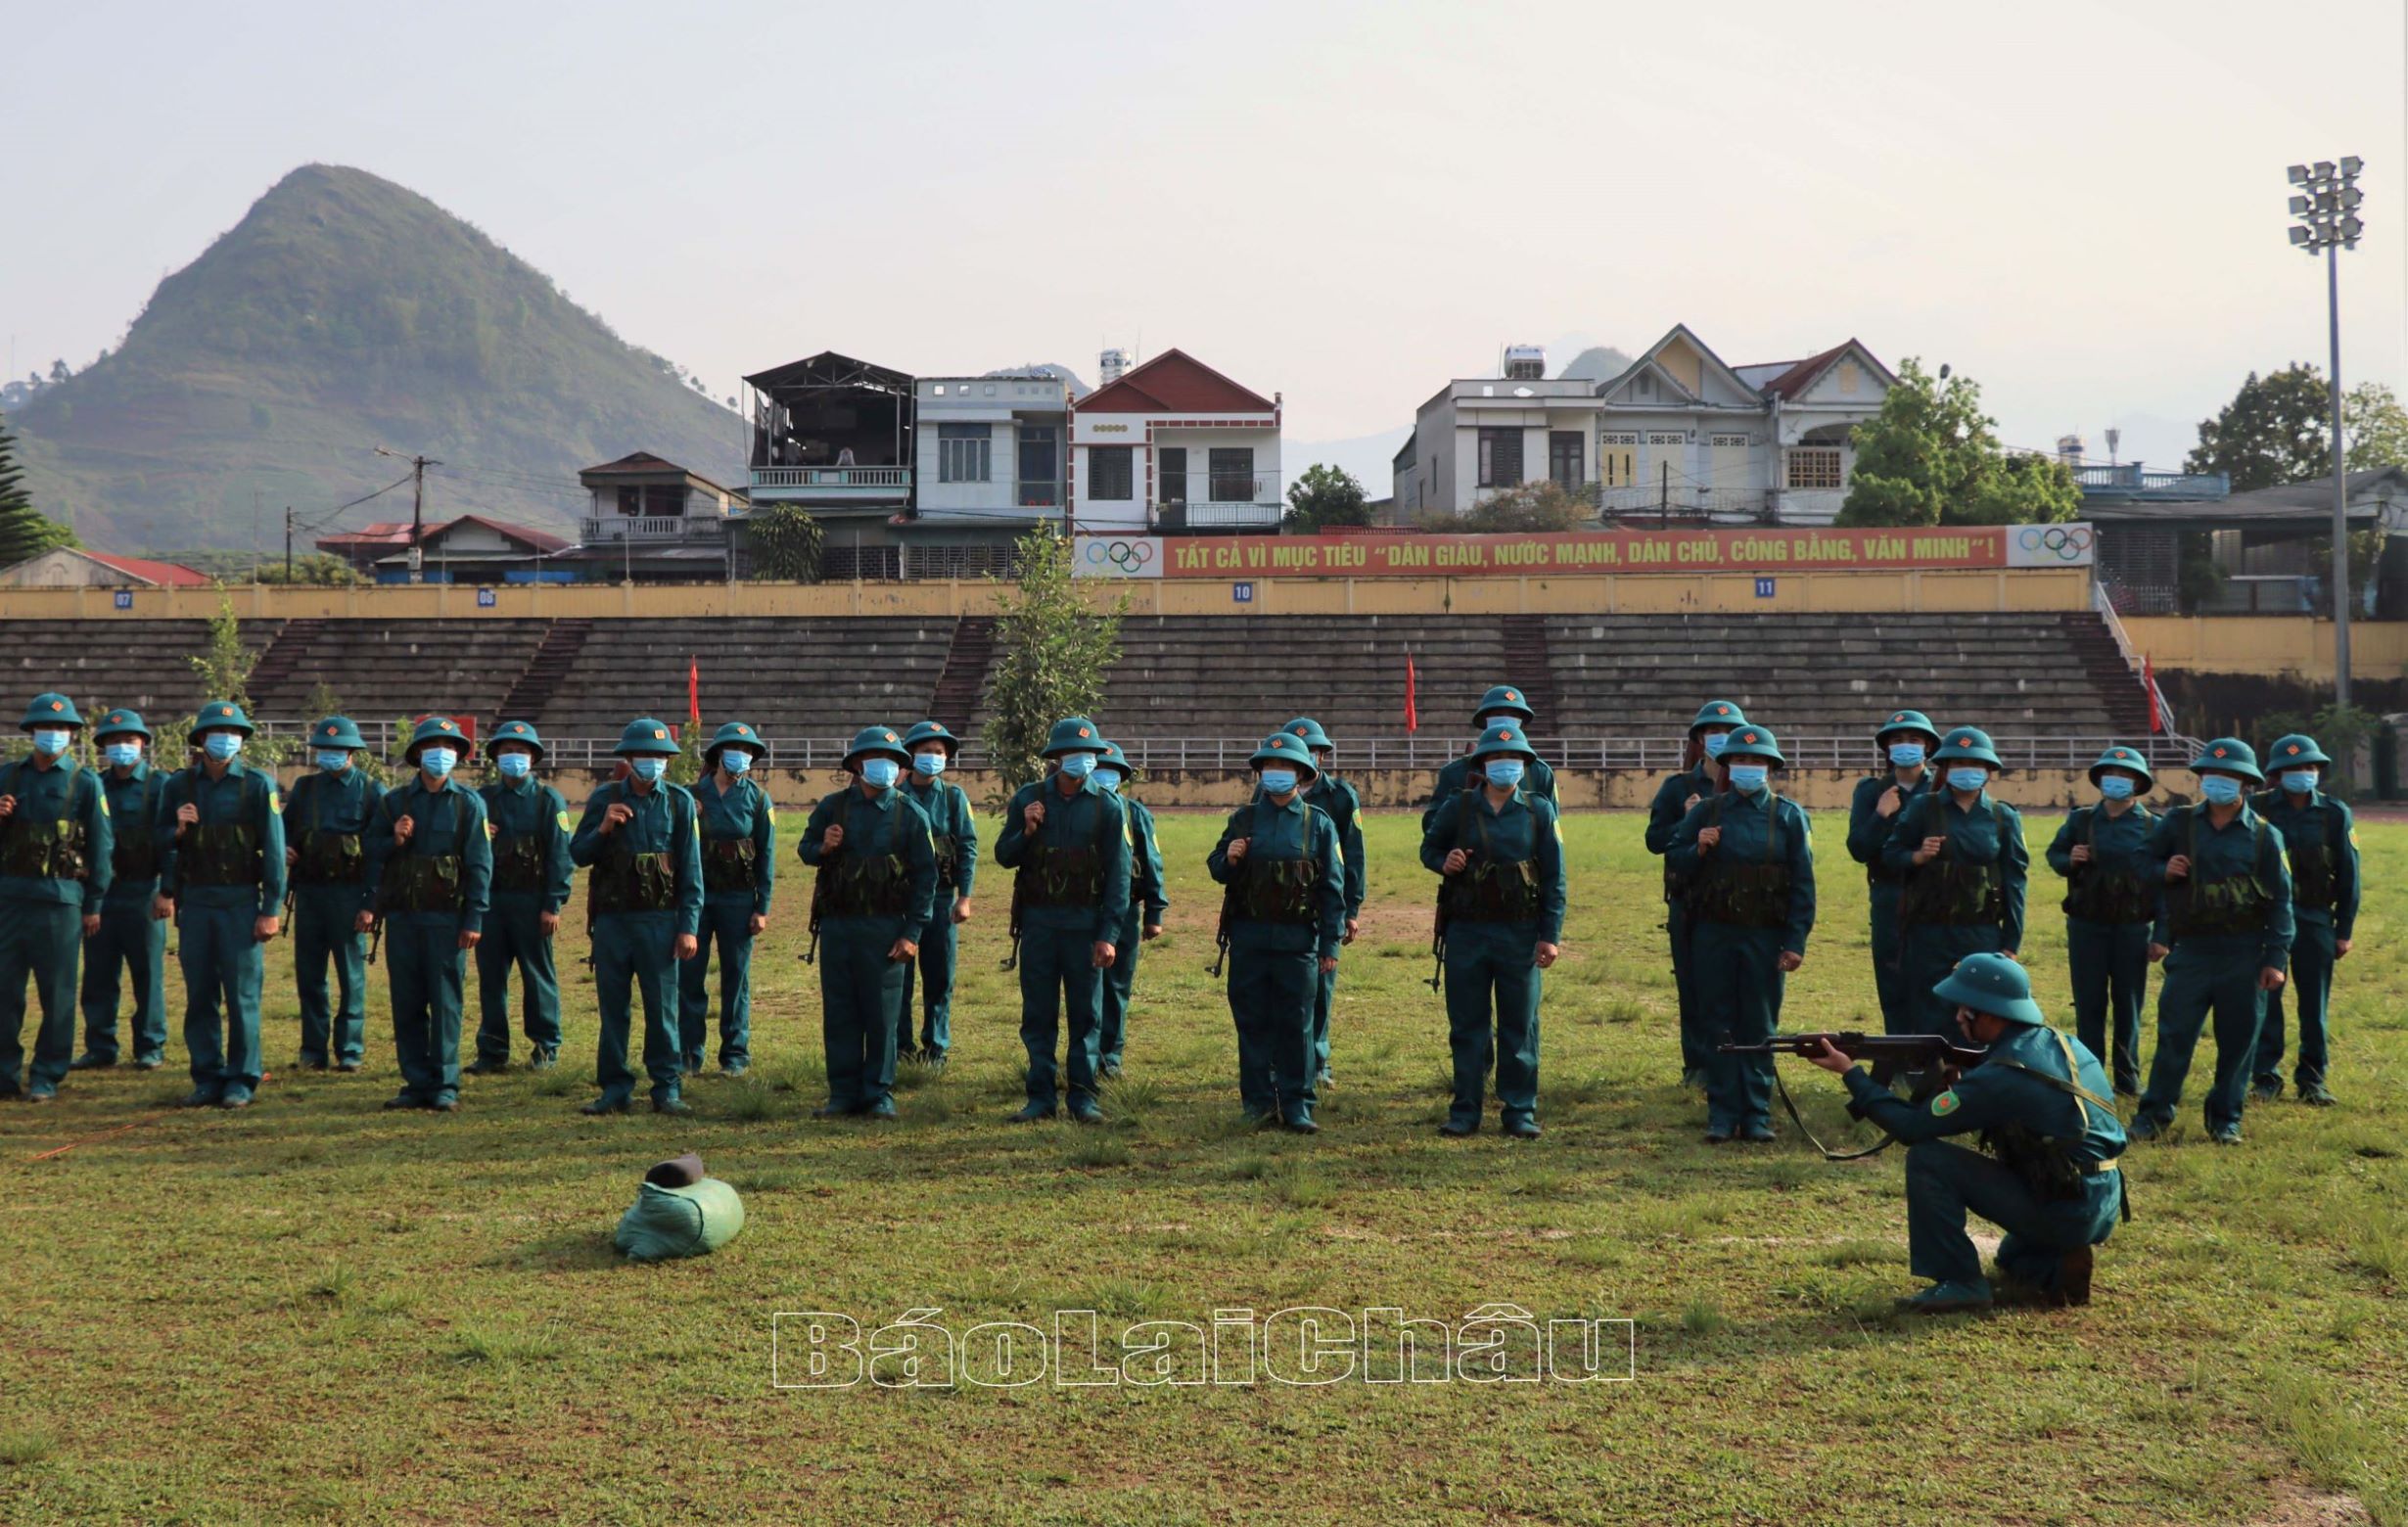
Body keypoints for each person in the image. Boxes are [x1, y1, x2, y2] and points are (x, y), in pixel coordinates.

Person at [1803, 953, 2127, 1313]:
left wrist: (1852, 1075)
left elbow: (1912, 1127)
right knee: (2013, 1263)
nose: (1957, 1017)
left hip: (2066, 1204)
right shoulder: (2062, 1043)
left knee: (1928, 1160)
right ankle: (2052, 1257)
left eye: (1965, 1009)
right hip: (2098, 1199)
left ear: (1990, 1014)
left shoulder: (2001, 1075)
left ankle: (1961, 1282)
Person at [2132, 738, 2293, 1145]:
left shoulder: (2264, 836)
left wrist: (2276, 959)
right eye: (2211, 774)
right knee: (2174, 1036)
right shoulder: (2178, 823)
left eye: (2228, 776)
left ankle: (2225, 1119)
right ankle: (2154, 1115)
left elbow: (2281, 903)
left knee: (2238, 1042)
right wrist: (2163, 868)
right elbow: (2139, 862)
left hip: (2245, 953)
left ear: (2245, 782)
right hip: (2192, 951)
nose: (2218, 781)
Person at [1665, 724, 1815, 1143]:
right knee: (1718, 1022)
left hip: (1765, 937)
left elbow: (1803, 885)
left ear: (1770, 767)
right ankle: (1721, 1111)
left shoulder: (1788, 816)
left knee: (1759, 1023)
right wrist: (1697, 847)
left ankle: (1756, 1113)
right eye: (1741, 760)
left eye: (1757, 761)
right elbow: (1674, 860)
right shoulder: (1706, 812)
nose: (1749, 767)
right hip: (1714, 933)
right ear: (1728, 765)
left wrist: (1796, 941)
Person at [1419, 720, 1566, 1138]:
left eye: (1514, 758)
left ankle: (1519, 1110)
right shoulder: (1459, 807)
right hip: (1467, 932)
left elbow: (1555, 877)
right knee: (1467, 1024)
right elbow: (1429, 847)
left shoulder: (1539, 810)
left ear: (1525, 764)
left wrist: (1550, 935)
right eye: (1498, 758)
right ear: (1483, 764)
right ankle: (1465, 1109)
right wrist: (1443, 862)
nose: (1506, 765)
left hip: (1520, 933)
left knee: (1520, 1026)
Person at [993, 717, 1131, 1124]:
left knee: (1087, 1015)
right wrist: (1028, 830)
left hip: (1086, 927)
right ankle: (1040, 1097)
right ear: (1055, 758)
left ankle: (1084, 1097)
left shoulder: (1108, 805)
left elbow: (1119, 877)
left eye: (1089, 755)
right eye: (1074, 754)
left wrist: (1108, 936)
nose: (1082, 761)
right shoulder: (1028, 799)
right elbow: (1004, 855)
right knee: (1038, 1013)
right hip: (1039, 925)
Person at [796, 725, 936, 1120]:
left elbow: (927, 879)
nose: (886, 767)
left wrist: (912, 933)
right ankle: (842, 1092)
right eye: (878, 759)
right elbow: (805, 850)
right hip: (839, 927)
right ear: (858, 764)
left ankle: (878, 1093)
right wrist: (823, 846)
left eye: (893, 761)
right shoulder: (832, 807)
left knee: (882, 1015)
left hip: (886, 929)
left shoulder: (911, 814)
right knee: (839, 1011)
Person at [568, 718, 704, 1116]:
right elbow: (578, 855)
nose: (653, 762)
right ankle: (614, 1088)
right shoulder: (603, 798)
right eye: (645, 755)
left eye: (660, 756)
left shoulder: (678, 802)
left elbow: (691, 871)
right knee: (614, 1008)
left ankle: (666, 1087)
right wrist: (604, 828)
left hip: (660, 922)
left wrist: (688, 927)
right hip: (613, 922)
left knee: (662, 1008)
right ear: (628, 758)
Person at [1210, 732, 1344, 1132]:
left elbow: (1332, 888)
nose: (1276, 773)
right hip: (1249, 938)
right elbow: (1217, 868)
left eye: (1284, 766)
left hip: (1298, 941)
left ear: (1302, 773)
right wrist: (1228, 857)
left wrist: (1330, 943)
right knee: (1251, 1023)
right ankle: (1258, 1103)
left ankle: (1299, 1103)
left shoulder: (1318, 824)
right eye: (1269, 766)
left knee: (1298, 1023)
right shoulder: (1243, 819)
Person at [155, 701, 284, 1109]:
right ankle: (207, 1076)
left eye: (233, 734)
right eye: (216, 733)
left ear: (242, 741)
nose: (225, 739)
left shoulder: (258, 785)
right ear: (200, 740)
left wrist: (271, 908)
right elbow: (159, 843)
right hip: (196, 904)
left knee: (242, 994)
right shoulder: (178, 787)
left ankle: (242, 1078)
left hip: (241, 903)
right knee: (201, 993)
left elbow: (275, 851)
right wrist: (176, 831)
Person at [363, 717, 492, 1113]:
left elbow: (479, 865)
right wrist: (394, 839)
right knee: (407, 1001)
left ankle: (445, 1082)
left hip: (447, 920)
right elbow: (370, 853)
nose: (442, 754)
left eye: (450, 747)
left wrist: (474, 918)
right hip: (403, 918)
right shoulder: (394, 802)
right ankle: (415, 1081)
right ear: (418, 753)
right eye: (434, 746)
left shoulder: (468, 804)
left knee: (446, 1001)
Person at [1, 693, 112, 1102]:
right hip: (9, 899)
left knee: (58, 992)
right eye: (46, 728)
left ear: (72, 734)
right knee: (4, 992)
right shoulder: (8, 777)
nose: (53, 734)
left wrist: (94, 903)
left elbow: (102, 846)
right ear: (31, 732)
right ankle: (4, 1073)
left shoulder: (85, 782)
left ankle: (48, 1071)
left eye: (62, 728)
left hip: (60, 901)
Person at [1883, 725, 2028, 1038]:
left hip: (1981, 931)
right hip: (1928, 930)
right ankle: (1931, 1078)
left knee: (1980, 1010)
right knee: (1929, 1005)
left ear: (1989, 770)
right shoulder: (1924, 807)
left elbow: (2015, 881)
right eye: (1959, 764)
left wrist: (2011, 943)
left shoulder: (2004, 818)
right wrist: (1917, 857)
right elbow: (1891, 854)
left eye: (1975, 764)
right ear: (1946, 768)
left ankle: (1975, 1079)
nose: (1967, 771)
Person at [2044, 746, 2164, 1095]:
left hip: (2132, 927)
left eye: (2126, 775)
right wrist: (2071, 859)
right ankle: (2090, 1076)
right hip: (2086, 926)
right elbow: (2054, 855)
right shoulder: (2080, 820)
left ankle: (2128, 1078)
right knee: (2088, 1003)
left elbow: (2164, 885)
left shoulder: (2153, 826)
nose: (2118, 780)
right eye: (2111, 774)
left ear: (2138, 783)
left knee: (2129, 1004)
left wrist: (2162, 934)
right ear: (2099, 780)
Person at [2248, 733, 2359, 1106]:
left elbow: (2348, 874)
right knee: (2266, 1000)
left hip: (2314, 919)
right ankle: (2265, 1076)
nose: (2303, 774)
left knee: (2314, 1004)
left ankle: (2313, 1079)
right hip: (2265, 920)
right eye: (2294, 768)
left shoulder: (2334, 812)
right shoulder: (2256, 808)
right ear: (2277, 774)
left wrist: (2343, 930)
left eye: (2309, 767)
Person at [1646, 699, 1746, 1087]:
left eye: (1727, 733)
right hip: (1689, 899)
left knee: (1736, 986)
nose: (1720, 739)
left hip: (1736, 901)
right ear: (1699, 740)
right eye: (1712, 733)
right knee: (1691, 985)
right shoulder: (1678, 787)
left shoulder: (1747, 785)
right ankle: (1698, 1065)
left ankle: (1736, 1059)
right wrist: (1686, 824)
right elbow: (1654, 841)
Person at [472, 719, 573, 1074]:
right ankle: (492, 1051)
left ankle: (546, 1047)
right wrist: (480, 833)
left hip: (532, 903)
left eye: (521, 752)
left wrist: (553, 904)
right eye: (508, 751)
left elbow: (561, 855)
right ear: (496, 756)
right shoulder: (481, 800)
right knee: (491, 978)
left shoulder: (549, 800)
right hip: (491, 903)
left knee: (538, 976)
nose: (514, 757)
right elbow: (464, 847)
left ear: (533, 758)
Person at [678, 720, 776, 1078]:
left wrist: (762, 907)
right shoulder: (691, 795)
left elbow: (767, 854)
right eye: (736, 749)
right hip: (697, 900)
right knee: (690, 976)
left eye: (748, 751)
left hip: (739, 899)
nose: (742, 756)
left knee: (736, 978)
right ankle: (688, 1054)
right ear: (719, 753)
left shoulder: (759, 799)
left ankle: (735, 1055)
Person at [283, 716, 379, 1073]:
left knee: (351, 976)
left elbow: (380, 852)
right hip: (309, 893)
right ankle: (313, 1050)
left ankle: (350, 1050)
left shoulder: (371, 790)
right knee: (310, 975)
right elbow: (283, 829)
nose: (330, 755)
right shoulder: (305, 789)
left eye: (337, 750)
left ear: (352, 752)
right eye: (325, 749)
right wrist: (286, 847)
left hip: (349, 895)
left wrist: (371, 903)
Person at [71, 708, 165, 1072]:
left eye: (129, 739)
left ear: (143, 743)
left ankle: (149, 1046)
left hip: (144, 892)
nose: (122, 746)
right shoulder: (93, 785)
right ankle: (100, 1045)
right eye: (114, 741)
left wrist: (167, 891)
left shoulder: (160, 785)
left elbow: (171, 843)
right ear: (102, 747)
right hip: (101, 894)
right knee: (98, 973)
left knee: (148, 975)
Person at [1276, 717, 1363, 1089]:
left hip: (1322, 907)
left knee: (1321, 988)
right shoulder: (1268, 793)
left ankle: (1318, 1061)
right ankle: (1279, 1063)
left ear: (1322, 756)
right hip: (1279, 908)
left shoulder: (1341, 797)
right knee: (1279, 991)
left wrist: (1351, 910)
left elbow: (1353, 858)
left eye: (1313, 750)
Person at [1847, 709, 1938, 1035]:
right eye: (1897, 740)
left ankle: (1932, 1062)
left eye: (1914, 740)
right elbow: (1858, 848)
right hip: (1889, 893)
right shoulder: (1871, 790)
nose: (1905, 746)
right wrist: (1880, 815)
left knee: (1933, 980)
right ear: (1886, 748)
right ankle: (1899, 1057)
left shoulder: (1941, 789)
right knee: (1892, 979)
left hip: (1935, 896)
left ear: (1928, 746)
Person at [897, 720, 978, 1069]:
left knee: (940, 976)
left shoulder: (954, 797)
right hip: (900, 901)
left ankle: (936, 1047)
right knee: (899, 976)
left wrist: (965, 896)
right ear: (911, 755)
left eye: (939, 753)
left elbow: (968, 847)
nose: (932, 758)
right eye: (926, 752)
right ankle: (900, 1046)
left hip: (942, 900)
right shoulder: (896, 796)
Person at [1094, 739, 1165, 1080]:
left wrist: (1155, 913)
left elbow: (1151, 863)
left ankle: (1110, 1056)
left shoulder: (1135, 814)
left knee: (1116, 985)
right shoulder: (1079, 810)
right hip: (1081, 910)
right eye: (1099, 770)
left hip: (1124, 912)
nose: (1105, 777)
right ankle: (1085, 1052)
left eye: (1112, 772)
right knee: (1084, 985)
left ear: (1122, 778)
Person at [1421, 684, 1558, 833]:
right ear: (1484, 720)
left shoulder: (1540, 773)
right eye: (1498, 713)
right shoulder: (1455, 772)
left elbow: (1551, 827)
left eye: (1513, 714)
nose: (1506, 719)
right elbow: (1432, 826)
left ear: (1522, 722)